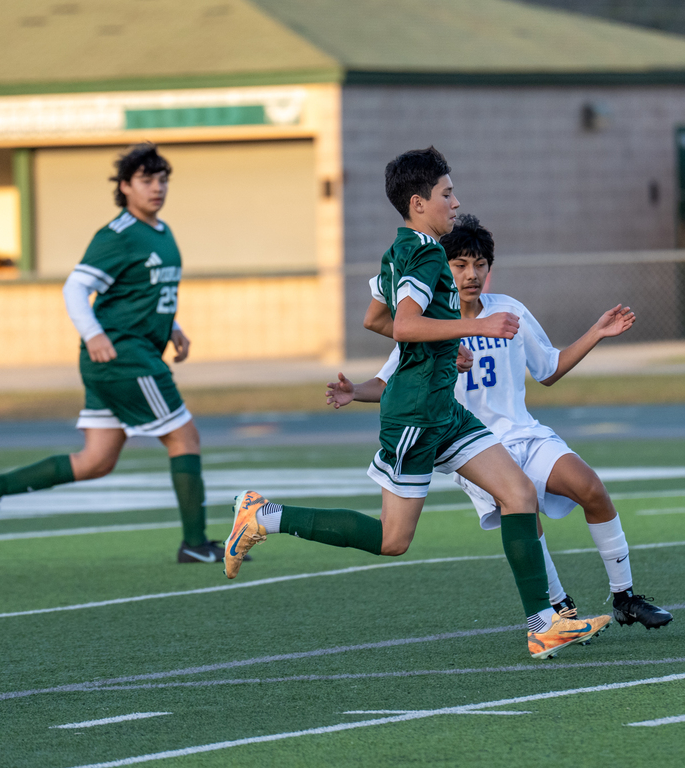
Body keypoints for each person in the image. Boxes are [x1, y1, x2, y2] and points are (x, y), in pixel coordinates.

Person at [225, 147, 610, 659]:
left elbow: (376, 320)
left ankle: (544, 624)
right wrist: (474, 325)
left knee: (518, 494)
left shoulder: (400, 251)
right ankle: (263, 515)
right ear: (418, 202)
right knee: (393, 540)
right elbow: (403, 324)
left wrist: (444, 345)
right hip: (414, 414)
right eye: (447, 193)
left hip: (444, 410)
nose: (456, 202)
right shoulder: (425, 254)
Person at [328, 214, 673, 630]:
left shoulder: (509, 311)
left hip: (526, 434)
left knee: (591, 488)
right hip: (476, 448)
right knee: (526, 514)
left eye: (480, 264)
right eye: (459, 265)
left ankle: (625, 597)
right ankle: (559, 608)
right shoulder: (430, 323)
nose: (471, 274)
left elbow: (548, 369)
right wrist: (355, 392)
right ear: (443, 266)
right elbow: (390, 381)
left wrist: (596, 333)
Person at [0, 144, 220, 564]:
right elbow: (75, 288)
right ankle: (195, 543)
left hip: (127, 354)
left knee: (96, 461)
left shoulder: (161, 231)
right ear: (124, 187)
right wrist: (93, 333)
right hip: (125, 358)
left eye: (162, 180)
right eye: (146, 180)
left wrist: (172, 326)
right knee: (184, 436)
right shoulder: (116, 235)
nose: (157, 188)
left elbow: (142, 291)